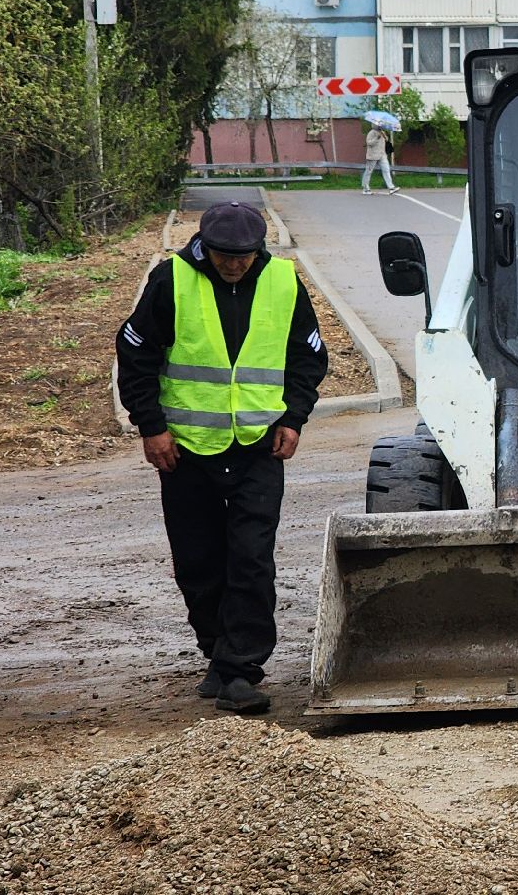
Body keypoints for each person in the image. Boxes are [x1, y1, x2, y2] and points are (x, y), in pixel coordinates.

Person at [115, 202, 328, 715]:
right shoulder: (173, 281)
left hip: (258, 445)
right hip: (186, 451)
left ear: (259, 249)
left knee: (251, 559)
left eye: (244, 256)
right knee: (198, 561)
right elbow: (135, 353)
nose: (234, 265)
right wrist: (152, 427)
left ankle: (241, 670)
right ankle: (217, 651)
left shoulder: (283, 281)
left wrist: (293, 418)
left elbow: (308, 357)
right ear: (203, 247)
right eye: (223, 256)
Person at [361, 123, 397, 195]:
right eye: (379, 125)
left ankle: (391, 187)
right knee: (369, 171)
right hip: (373, 155)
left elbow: (386, 140)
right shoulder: (371, 133)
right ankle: (365, 188)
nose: (381, 126)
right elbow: (369, 143)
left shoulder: (382, 132)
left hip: (382, 154)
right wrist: (376, 138)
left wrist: (384, 136)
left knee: (386, 169)